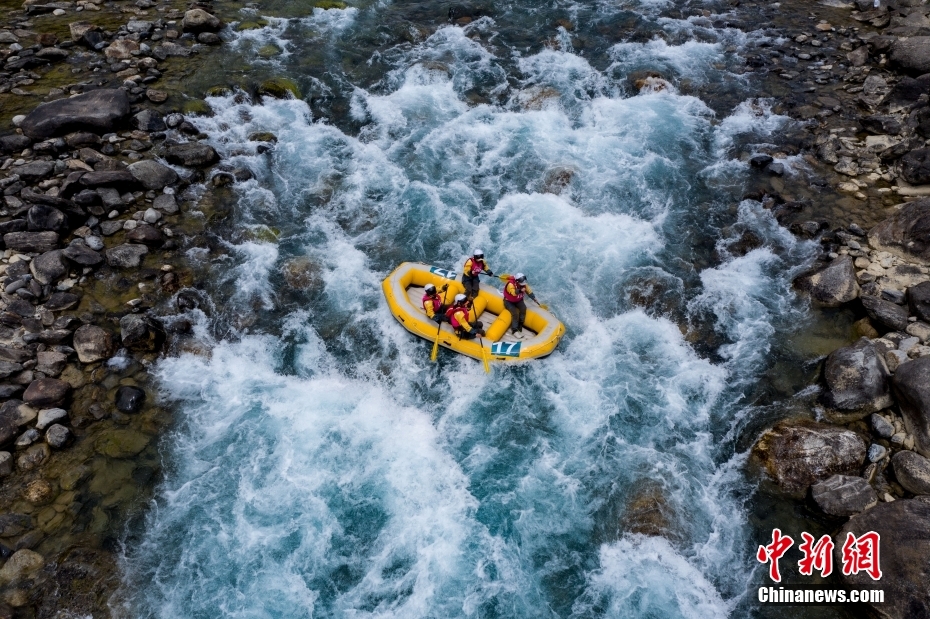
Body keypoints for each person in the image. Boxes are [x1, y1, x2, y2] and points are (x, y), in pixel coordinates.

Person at [502, 272, 537, 337]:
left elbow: (529, 291)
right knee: (515, 314)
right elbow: (513, 293)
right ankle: (514, 330)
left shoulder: (524, 284)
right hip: (508, 301)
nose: (523, 285)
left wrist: (533, 298)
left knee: (523, 309)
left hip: (518, 301)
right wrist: (520, 290)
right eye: (521, 284)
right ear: (517, 281)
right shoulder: (510, 284)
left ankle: (520, 324)